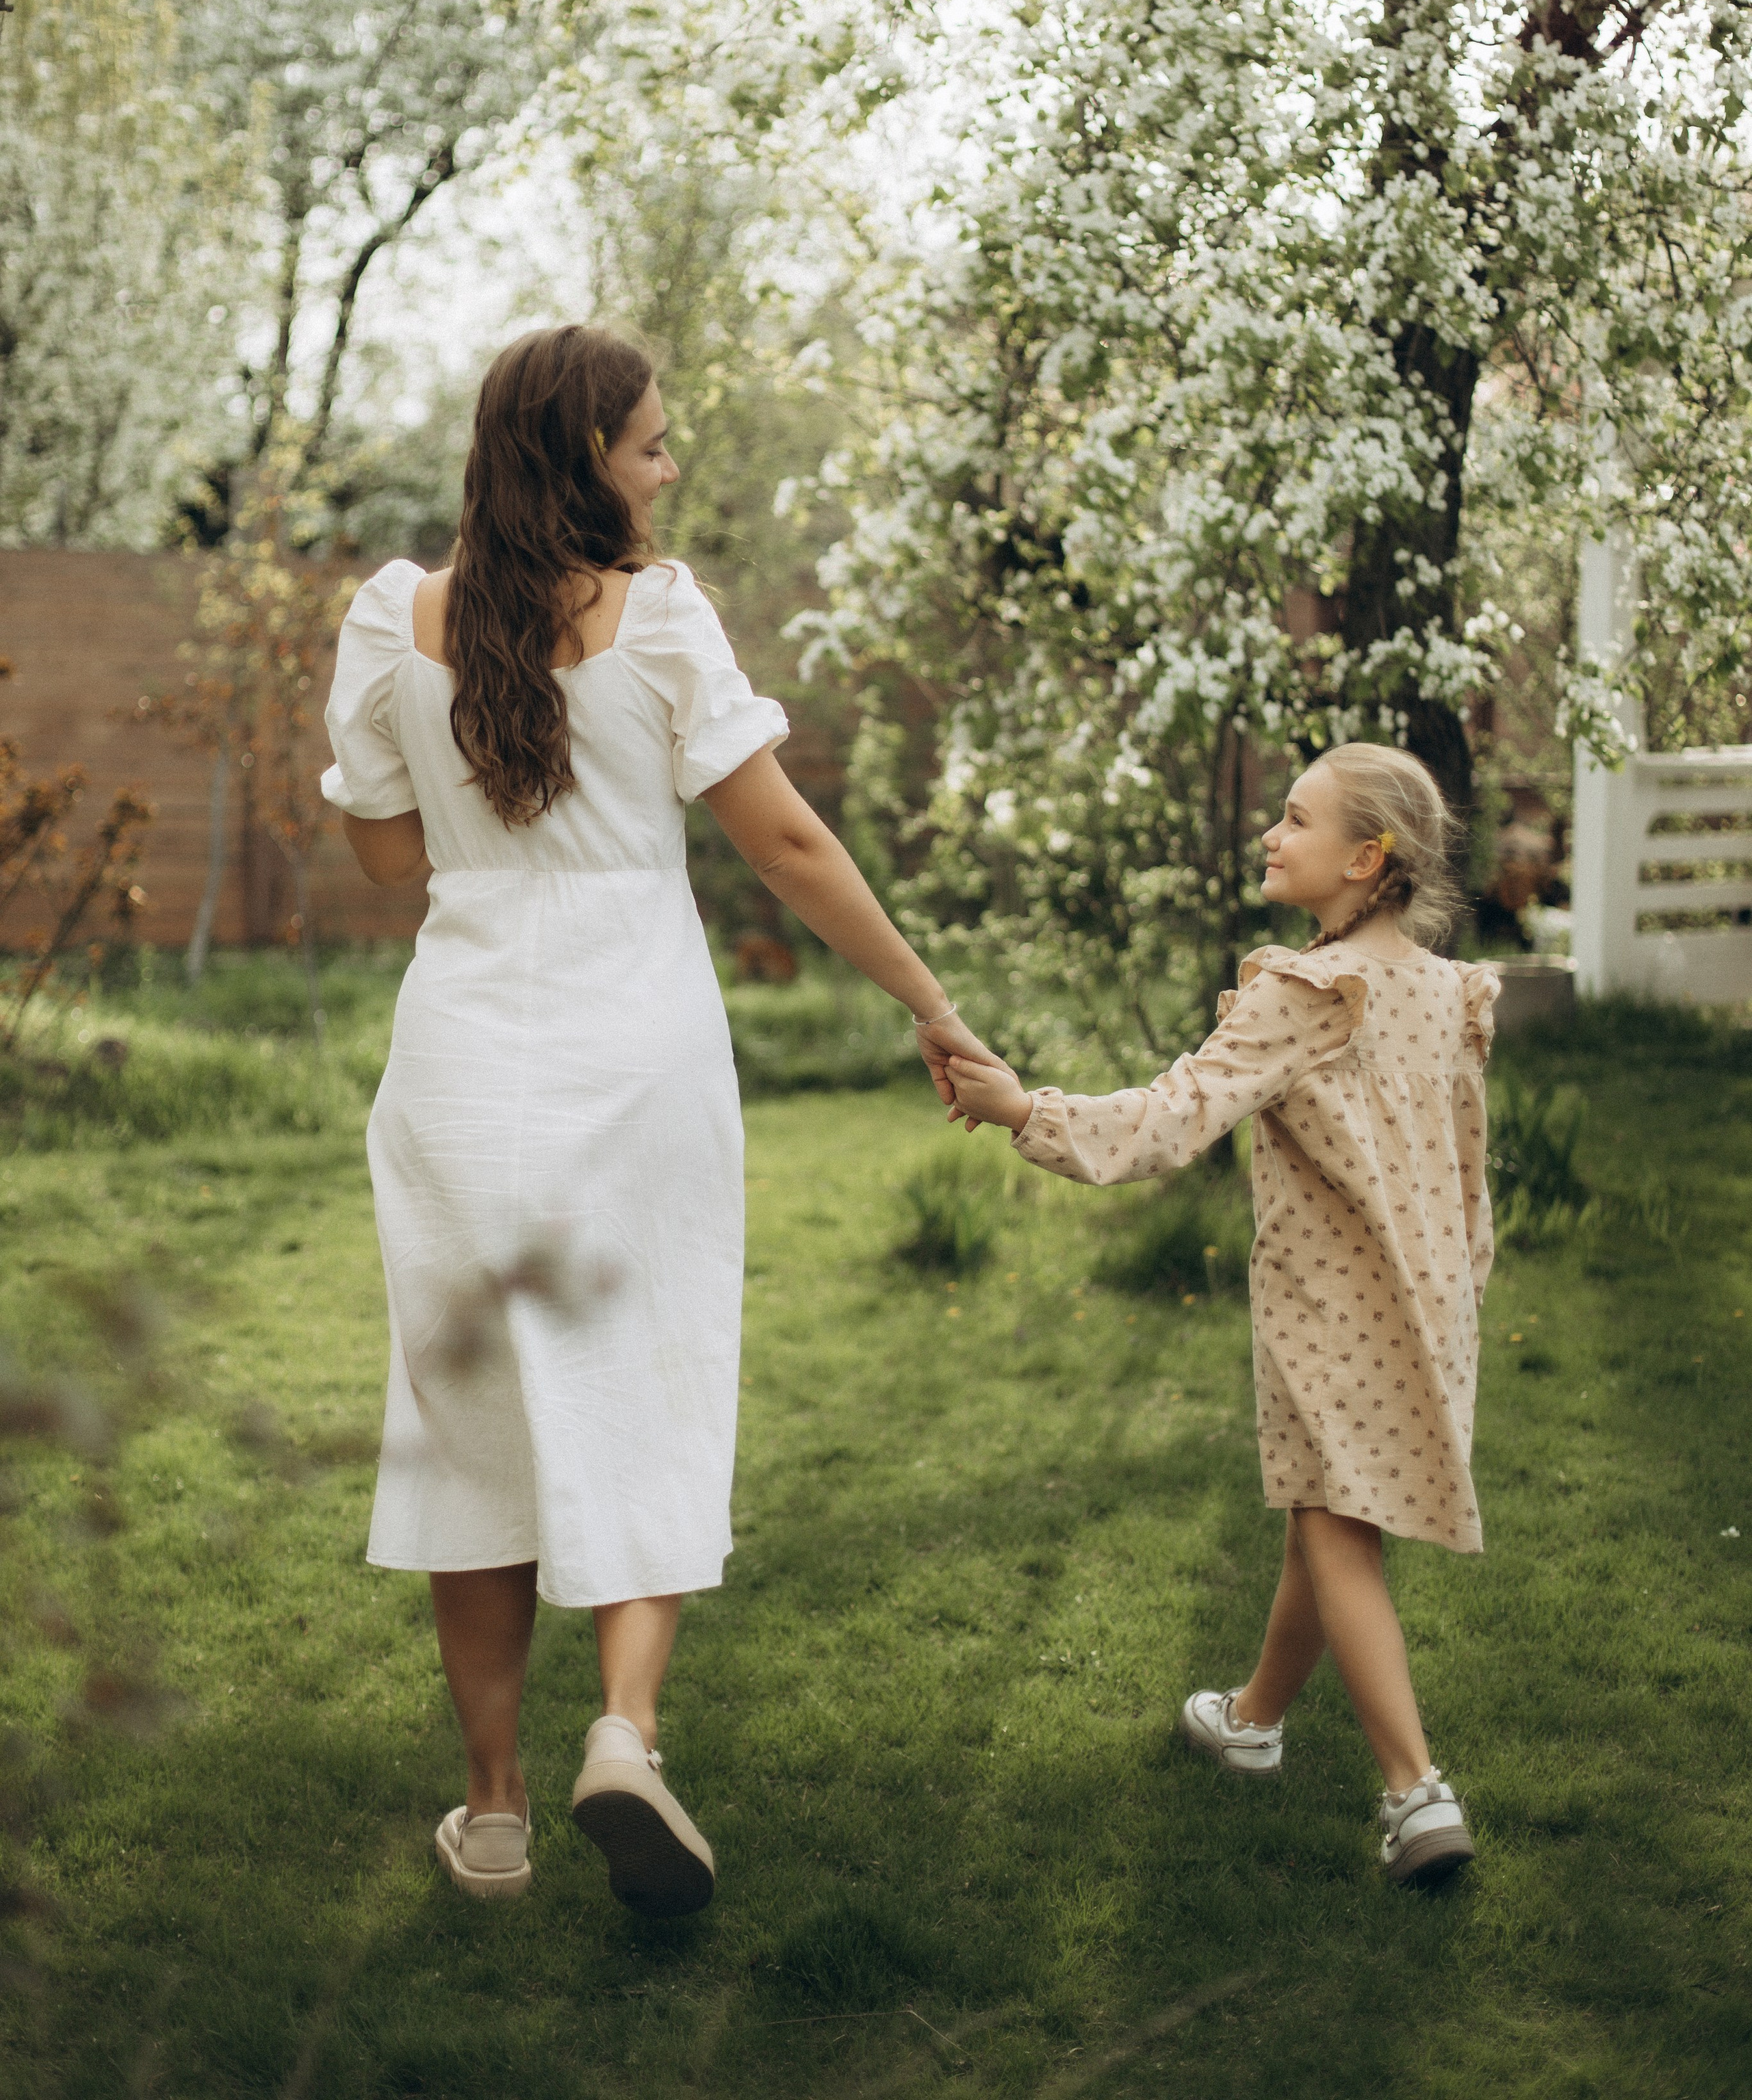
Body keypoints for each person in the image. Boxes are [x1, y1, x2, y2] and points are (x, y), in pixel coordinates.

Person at [323, 322, 998, 1913]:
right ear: (583, 461)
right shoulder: (663, 618)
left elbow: (380, 861)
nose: (670, 465)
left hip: (458, 1061)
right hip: (636, 1049)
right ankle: (624, 1731)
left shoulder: (391, 616)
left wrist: (488, 833)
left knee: (465, 1418)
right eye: (650, 444)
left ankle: (492, 1818)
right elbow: (788, 848)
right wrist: (928, 999)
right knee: (652, 1381)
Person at [944, 744, 1499, 1887]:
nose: (1271, 835)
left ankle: (1415, 1789)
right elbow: (1468, 1165)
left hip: (1331, 1304)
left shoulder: (1305, 992)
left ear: (1366, 856)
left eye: (1296, 820)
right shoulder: (1446, 989)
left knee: (1337, 1524)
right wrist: (1467, 1282)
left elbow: (1173, 1115)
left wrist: (1022, 1109)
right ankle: (1250, 1718)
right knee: (1327, 1510)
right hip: (1431, 1298)